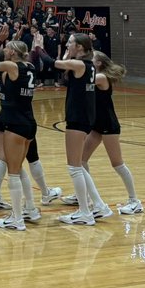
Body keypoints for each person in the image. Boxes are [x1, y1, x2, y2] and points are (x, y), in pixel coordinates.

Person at [62, 51, 143, 216]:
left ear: (98, 63)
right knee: (81, 160)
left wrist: (69, 61)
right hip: (96, 125)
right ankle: (83, 196)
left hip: (109, 125)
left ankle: (135, 201)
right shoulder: (96, 74)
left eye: (92, 59)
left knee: (117, 163)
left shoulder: (101, 78)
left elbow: (81, 78)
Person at [52, 32, 103, 225]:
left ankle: (84, 212)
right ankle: (96, 204)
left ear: (80, 47)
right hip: (83, 116)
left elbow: (52, 63)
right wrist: (66, 53)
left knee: (74, 167)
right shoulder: (86, 65)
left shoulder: (80, 64)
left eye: (70, 43)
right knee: (79, 166)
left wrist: (38, 49)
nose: (67, 45)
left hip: (78, 118)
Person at [0, 40, 39, 230]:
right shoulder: (31, 66)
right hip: (29, 122)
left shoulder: (11, 66)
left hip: (15, 124)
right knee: (18, 169)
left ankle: (17, 219)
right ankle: (31, 208)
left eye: (8, 48)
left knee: (13, 172)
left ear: (13, 52)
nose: (5, 50)